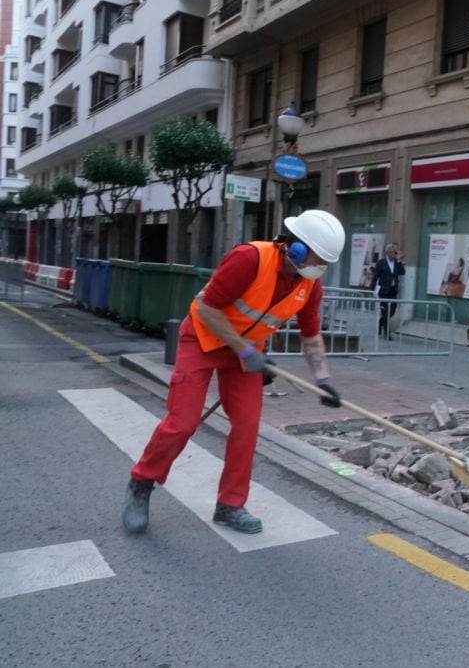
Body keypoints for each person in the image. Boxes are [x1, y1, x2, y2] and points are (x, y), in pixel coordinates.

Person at [122, 209, 347, 535]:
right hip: (202, 338)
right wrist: (245, 351)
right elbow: (208, 308)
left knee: (247, 426)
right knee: (182, 423)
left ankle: (231, 505)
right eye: (319, 259)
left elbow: (310, 336)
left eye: (327, 262)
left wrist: (323, 379)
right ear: (296, 247)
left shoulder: (310, 286)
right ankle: (141, 482)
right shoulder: (249, 258)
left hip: (246, 352)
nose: (322, 268)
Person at [373, 244, 405, 340]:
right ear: (387, 253)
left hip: (393, 290)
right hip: (383, 291)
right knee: (386, 312)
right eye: (391, 252)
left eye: (395, 252)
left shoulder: (396, 263)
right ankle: (387, 333)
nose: (393, 254)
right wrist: (372, 290)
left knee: (392, 311)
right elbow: (375, 277)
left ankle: (380, 323)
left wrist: (399, 262)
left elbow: (403, 272)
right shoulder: (381, 263)